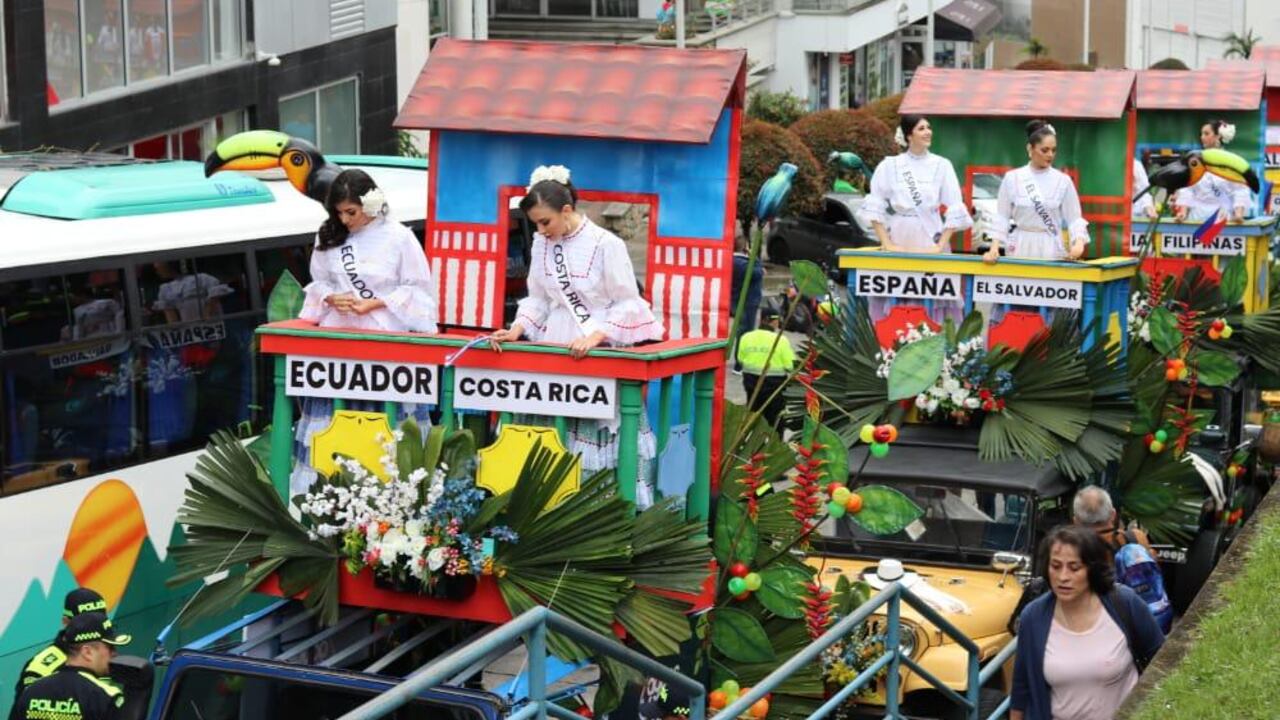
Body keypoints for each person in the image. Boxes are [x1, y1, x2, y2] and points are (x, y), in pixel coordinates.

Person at [489, 165, 665, 497]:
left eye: (545, 222)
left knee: (591, 426)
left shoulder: (606, 244)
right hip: (554, 341)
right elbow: (539, 298)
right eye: (535, 224)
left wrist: (596, 337)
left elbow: (627, 301)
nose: (540, 231)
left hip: (596, 345)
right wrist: (517, 329)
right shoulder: (543, 245)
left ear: (567, 209)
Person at [292, 169, 440, 495]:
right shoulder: (328, 236)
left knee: (386, 421)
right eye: (338, 212)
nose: (344, 220)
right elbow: (319, 282)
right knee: (336, 416)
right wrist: (331, 296)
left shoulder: (399, 237)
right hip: (339, 339)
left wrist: (374, 303)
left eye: (351, 212)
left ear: (370, 204)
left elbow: (419, 290)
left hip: (385, 338)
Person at [1009, 526, 1165, 720]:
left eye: (1074, 568)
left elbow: (1163, 661)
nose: (1063, 577)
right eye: (1056, 566)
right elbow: (1021, 688)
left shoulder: (1124, 603)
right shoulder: (1033, 617)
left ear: (1092, 569)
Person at [857, 115, 972, 254]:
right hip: (899, 234)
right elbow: (874, 203)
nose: (928, 132)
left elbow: (955, 205)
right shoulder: (890, 165)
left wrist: (939, 246)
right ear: (909, 136)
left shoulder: (942, 165)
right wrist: (886, 243)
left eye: (929, 128)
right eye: (921, 129)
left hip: (930, 233)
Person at [985, 120, 1090, 263]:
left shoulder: (1063, 181)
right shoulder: (1013, 178)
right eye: (1044, 150)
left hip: (1051, 244)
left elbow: (1074, 218)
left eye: (1053, 150)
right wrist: (994, 248)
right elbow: (1002, 217)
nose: (1050, 155)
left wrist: (1078, 243)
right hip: (1021, 243)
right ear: (1030, 148)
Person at [1073, 487, 1172, 633]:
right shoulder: (1136, 538)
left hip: (1104, 631)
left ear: (1076, 521)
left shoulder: (1074, 550)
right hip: (1147, 625)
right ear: (1113, 514)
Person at [9, 612, 129, 720]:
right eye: (110, 648)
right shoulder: (106, 696)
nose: (115, 653)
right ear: (88, 652)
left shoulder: (32, 691)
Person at [13, 589, 107, 700]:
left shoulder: (108, 653)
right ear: (65, 621)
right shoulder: (40, 668)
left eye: (100, 621)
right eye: (84, 623)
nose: (95, 628)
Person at [1173, 119, 1252, 223]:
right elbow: (1187, 189)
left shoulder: (1232, 162)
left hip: (1222, 217)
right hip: (1197, 217)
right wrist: (1182, 212)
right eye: (1201, 134)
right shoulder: (1195, 161)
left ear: (1218, 136)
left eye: (1206, 134)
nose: (1202, 137)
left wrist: (1238, 214)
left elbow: (1240, 190)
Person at [735, 305, 795, 430]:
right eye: (777, 321)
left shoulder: (746, 337)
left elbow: (740, 359)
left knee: (753, 418)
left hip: (751, 384)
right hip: (775, 387)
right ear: (770, 321)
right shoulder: (781, 340)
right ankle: (775, 446)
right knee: (776, 420)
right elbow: (790, 365)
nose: (778, 324)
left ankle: (751, 445)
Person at [730, 229, 763, 374]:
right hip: (747, 302)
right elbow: (758, 272)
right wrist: (754, 258)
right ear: (745, 248)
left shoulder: (735, 261)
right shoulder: (742, 264)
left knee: (742, 331)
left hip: (738, 300)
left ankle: (740, 362)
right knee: (745, 332)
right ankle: (740, 364)